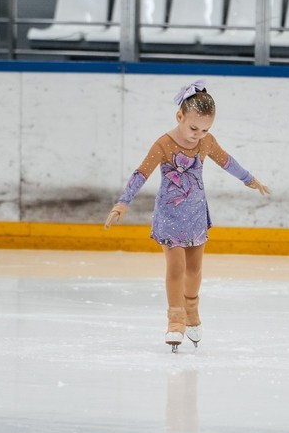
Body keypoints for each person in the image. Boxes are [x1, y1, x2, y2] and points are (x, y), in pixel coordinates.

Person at [104, 79, 270, 349]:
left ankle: (192, 311)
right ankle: (175, 320)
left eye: (205, 130)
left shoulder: (206, 142)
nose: (198, 135)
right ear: (179, 117)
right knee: (176, 268)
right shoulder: (164, 144)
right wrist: (123, 202)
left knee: (194, 269)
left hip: (195, 213)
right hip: (170, 215)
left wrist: (249, 179)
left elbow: (227, 161)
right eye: (194, 128)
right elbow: (141, 173)